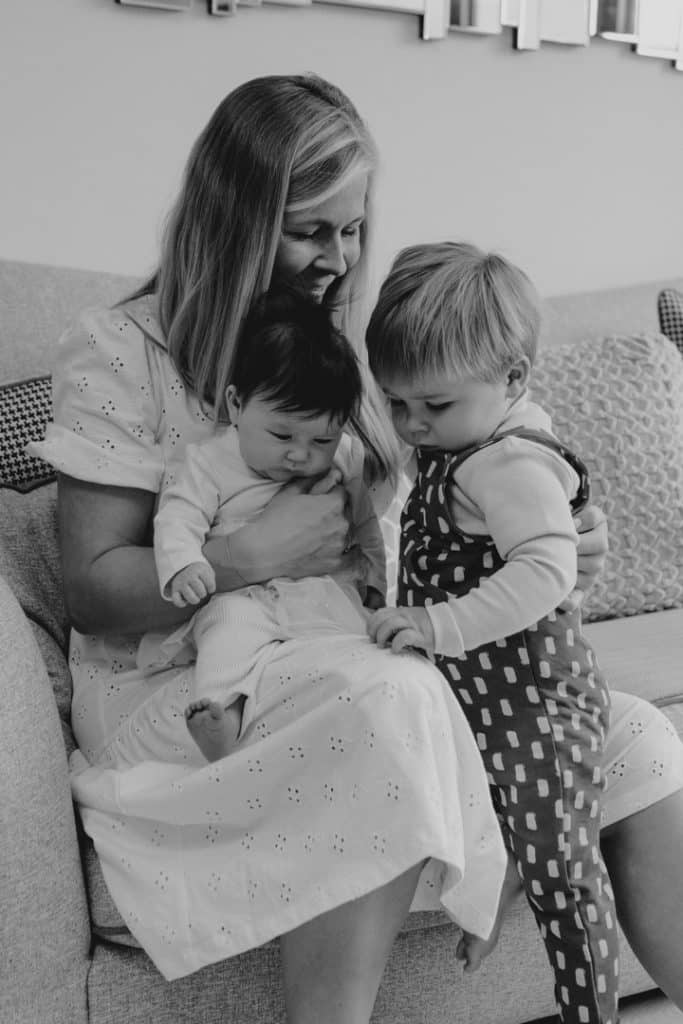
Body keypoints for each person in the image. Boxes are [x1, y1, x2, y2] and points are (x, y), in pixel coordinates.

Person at [26, 73, 683, 1022]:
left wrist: (557, 545)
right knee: (389, 695)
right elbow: (92, 590)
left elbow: (435, 532)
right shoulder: (120, 350)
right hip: (188, 691)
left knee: (630, 736)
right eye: (310, 229)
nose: (339, 257)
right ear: (236, 216)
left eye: (354, 227)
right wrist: (251, 554)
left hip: (345, 652)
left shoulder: (358, 359)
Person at [365, 241, 619, 1022]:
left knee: (566, 878)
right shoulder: (463, 444)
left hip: (535, 706)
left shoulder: (504, 462)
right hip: (483, 699)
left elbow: (546, 570)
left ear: (512, 377)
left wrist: (435, 624)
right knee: (493, 821)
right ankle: (505, 868)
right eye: (395, 402)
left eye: (432, 407)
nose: (411, 424)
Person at [147, 288, 388, 762]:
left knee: (363, 640)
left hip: (321, 591)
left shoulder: (344, 459)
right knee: (226, 635)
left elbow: (366, 526)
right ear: (236, 405)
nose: (301, 454)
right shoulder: (209, 462)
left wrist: (377, 580)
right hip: (242, 597)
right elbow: (177, 517)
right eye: (282, 434)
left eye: (322, 437)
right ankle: (223, 714)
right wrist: (184, 565)